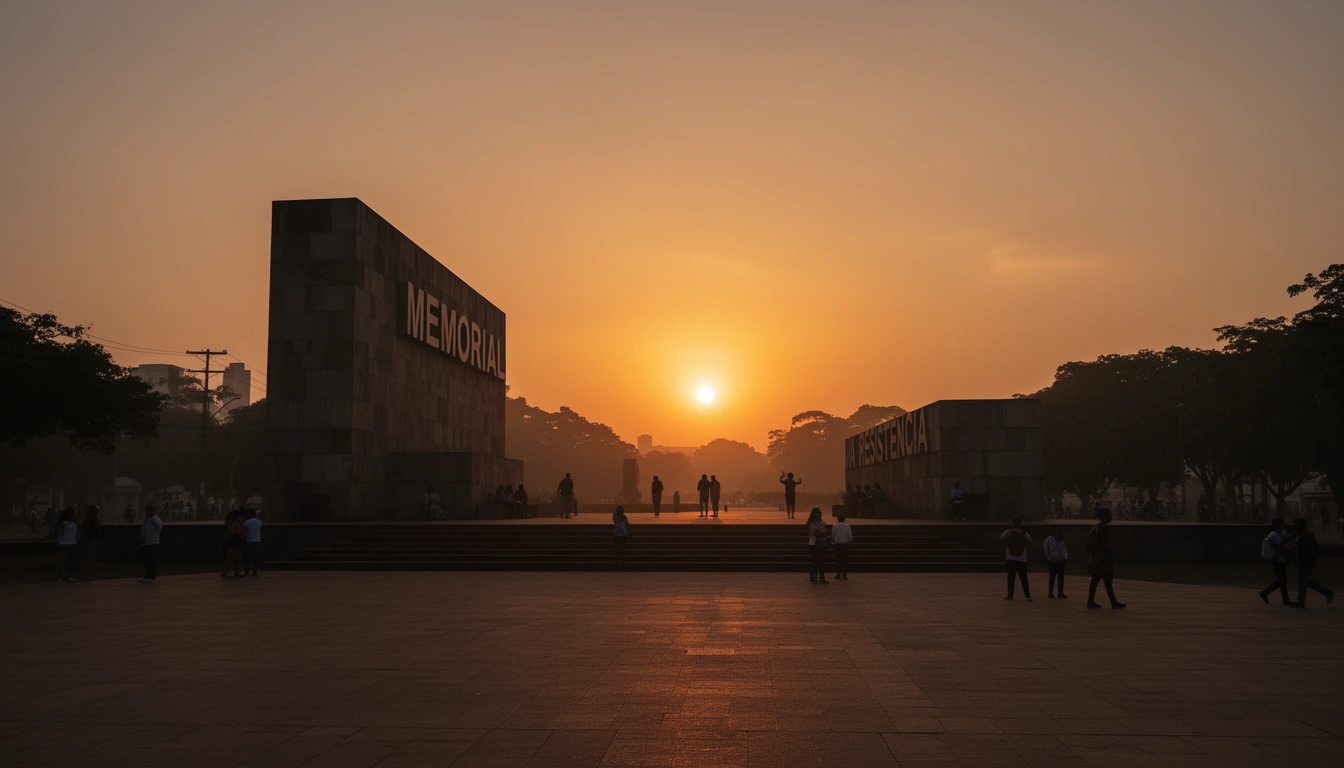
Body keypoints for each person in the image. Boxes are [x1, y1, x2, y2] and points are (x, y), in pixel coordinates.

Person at [1290, 517, 1334, 608]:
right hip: (1305, 561)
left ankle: (1301, 601)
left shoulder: (1306, 536)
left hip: (1307, 562)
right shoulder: (1303, 536)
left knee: (1303, 582)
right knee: (1306, 582)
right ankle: (1327, 593)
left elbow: (1309, 550)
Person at [1086, 509, 1125, 609]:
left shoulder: (1097, 527)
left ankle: (1091, 601)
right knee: (1107, 582)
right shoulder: (1103, 528)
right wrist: (1109, 556)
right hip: (1102, 560)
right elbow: (1105, 544)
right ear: (1104, 516)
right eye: (1109, 515)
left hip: (1096, 559)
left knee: (1095, 581)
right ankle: (1113, 602)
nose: (1111, 517)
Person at [1258, 518, 1292, 605]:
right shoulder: (1274, 535)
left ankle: (1266, 593)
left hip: (1279, 559)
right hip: (1278, 560)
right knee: (1282, 580)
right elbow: (1279, 547)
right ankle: (1284, 599)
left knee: (1281, 580)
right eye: (1282, 523)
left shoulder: (1279, 533)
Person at [1001, 518, 1032, 600]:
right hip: (1022, 558)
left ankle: (1010, 595)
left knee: (1011, 578)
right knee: (1024, 578)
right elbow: (1030, 541)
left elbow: (1002, 537)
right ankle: (1027, 595)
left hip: (1010, 557)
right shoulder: (1024, 533)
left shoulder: (1009, 531)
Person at [1043, 526, 1068, 599]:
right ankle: (1050, 592)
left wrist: (1065, 557)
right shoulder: (1048, 540)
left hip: (1060, 560)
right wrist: (1049, 558)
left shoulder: (1061, 540)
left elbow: (1064, 548)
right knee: (1052, 577)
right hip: (1053, 561)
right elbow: (1046, 550)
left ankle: (1060, 592)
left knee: (1061, 577)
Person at [806, 508, 830, 584]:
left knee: (822, 561)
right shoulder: (812, 523)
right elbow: (817, 533)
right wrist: (823, 533)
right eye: (818, 513)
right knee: (814, 561)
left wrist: (823, 533)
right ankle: (813, 577)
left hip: (821, 543)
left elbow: (824, 532)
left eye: (820, 513)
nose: (820, 514)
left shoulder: (822, 522)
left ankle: (822, 577)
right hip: (814, 543)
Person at [139, 505, 162, 583]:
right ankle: (146, 576)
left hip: (153, 543)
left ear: (153, 511)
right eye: (146, 511)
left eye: (149, 511)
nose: (147, 513)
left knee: (151, 560)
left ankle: (151, 576)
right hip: (146, 543)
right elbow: (144, 530)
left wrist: (153, 519)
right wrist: (141, 539)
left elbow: (159, 526)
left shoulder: (156, 519)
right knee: (146, 561)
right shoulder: (146, 520)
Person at [55, 507, 79, 582]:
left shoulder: (73, 523)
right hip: (64, 543)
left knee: (71, 561)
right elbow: (60, 533)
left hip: (72, 543)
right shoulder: (64, 523)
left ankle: (70, 576)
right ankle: (60, 576)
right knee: (63, 561)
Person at [80, 505, 101, 581]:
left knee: (90, 559)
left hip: (91, 540)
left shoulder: (94, 521)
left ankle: (89, 575)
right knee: (87, 558)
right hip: (88, 540)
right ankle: (87, 575)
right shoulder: (90, 521)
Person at [223, 510, 245, 578]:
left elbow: (231, 532)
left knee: (231, 556)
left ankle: (230, 572)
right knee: (238, 557)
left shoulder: (231, 523)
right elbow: (242, 533)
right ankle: (239, 571)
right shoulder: (239, 524)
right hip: (237, 540)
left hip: (232, 540)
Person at [832, 514, 853, 580]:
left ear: (838, 519)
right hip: (845, 544)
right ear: (844, 519)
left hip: (837, 544)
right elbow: (850, 535)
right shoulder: (847, 526)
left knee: (838, 560)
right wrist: (849, 540)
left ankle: (838, 574)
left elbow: (833, 535)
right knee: (845, 560)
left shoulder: (834, 526)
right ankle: (844, 575)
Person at [242, 508, 263, 577]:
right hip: (257, 540)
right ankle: (255, 571)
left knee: (247, 557)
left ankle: (246, 571)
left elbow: (244, 531)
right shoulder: (258, 521)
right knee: (256, 557)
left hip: (249, 540)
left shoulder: (246, 522)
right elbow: (260, 527)